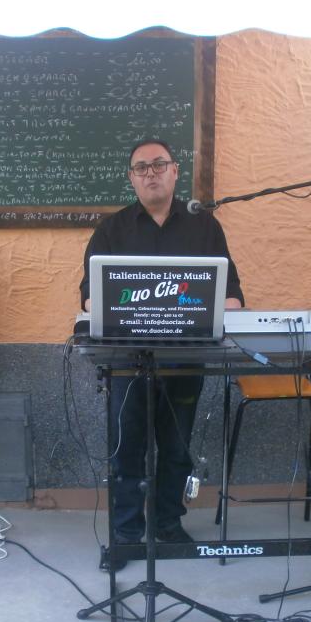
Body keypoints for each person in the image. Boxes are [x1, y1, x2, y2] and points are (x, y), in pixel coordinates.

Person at [80, 139, 244, 569]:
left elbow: (231, 294)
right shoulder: (111, 229)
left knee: (176, 447)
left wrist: (222, 312)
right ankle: (126, 535)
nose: (150, 173)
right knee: (126, 449)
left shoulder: (205, 227)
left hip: (186, 360)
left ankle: (168, 524)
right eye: (141, 167)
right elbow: (89, 297)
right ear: (131, 178)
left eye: (158, 164)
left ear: (175, 171)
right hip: (126, 362)